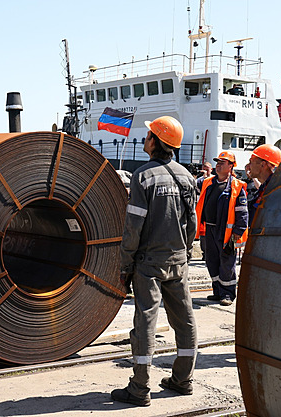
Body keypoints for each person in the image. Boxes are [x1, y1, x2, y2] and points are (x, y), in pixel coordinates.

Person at [111, 116, 198, 407]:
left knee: (146, 321)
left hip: (148, 263)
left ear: (154, 141)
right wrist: (184, 254)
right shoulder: (187, 176)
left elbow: (134, 226)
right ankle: (183, 380)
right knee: (184, 321)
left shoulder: (143, 176)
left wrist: (125, 263)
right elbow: (192, 222)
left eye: (148, 135)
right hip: (177, 260)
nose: (145, 139)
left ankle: (139, 388)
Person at [196, 151, 248, 306]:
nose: (218, 165)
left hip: (227, 233)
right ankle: (217, 291)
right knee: (212, 261)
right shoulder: (208, 182)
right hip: (209, 230)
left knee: (226, 263)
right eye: (217, 162)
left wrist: (237, 234)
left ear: (231, 166)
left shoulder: (237, 187)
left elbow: (242, 213)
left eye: (222, 162)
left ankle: (227, 294)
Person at [247, 144, 281, 226]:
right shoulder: (265, 187)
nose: (248, 167)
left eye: (251, 162)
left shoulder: (275, 189)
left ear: (263, 165)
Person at [196, 161, 213, 261]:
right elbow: (196, 189)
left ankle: (210, 253)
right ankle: (204, 253)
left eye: (207, 168)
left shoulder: (215, 179)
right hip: (202, 208)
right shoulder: (199, 180)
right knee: (203, 233)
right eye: (204, 168)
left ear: (211, 169)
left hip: (212, 208)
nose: (206, 170)